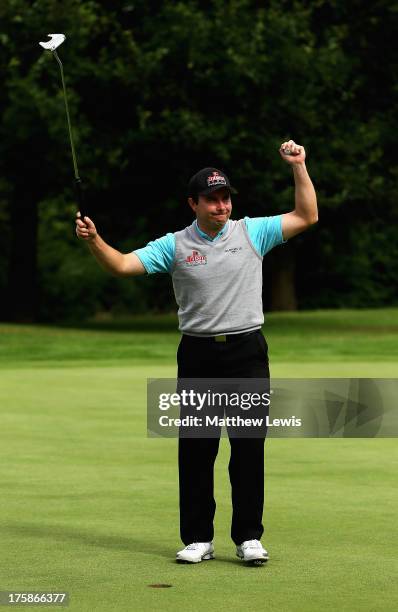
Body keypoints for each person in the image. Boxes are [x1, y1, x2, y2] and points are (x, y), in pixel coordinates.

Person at [75, 139, 318, 565]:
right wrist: (95, 240)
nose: (221, 206)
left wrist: (298, 166)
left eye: (225, 198)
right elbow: (121, 266)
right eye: (212, 199)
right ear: (194, 203)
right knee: (197, 449)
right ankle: (198, 539)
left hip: (246, 351)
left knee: (247, 448)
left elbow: (306, 215)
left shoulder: (252, 231)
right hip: (199, 354)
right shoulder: (173, 245)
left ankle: (248, 538)